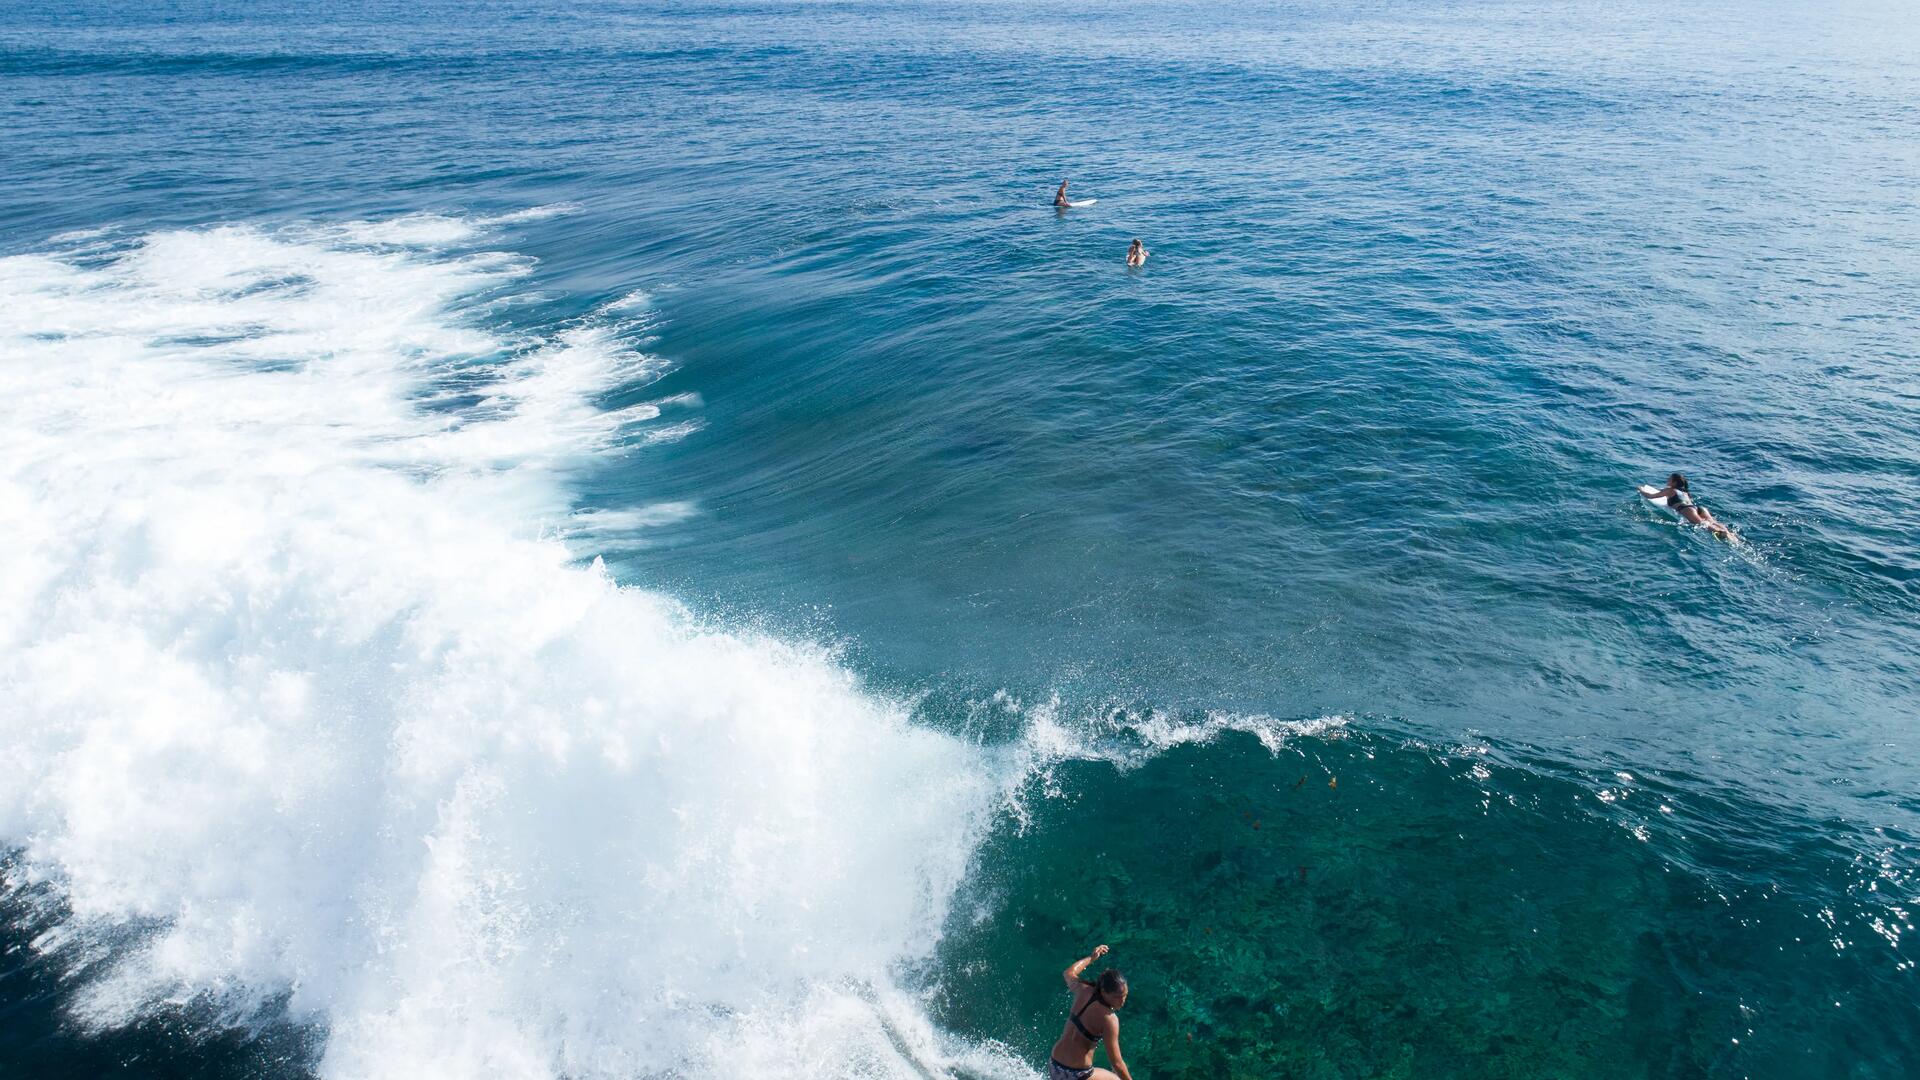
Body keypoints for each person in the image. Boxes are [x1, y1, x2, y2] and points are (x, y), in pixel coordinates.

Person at [1048, 944, 1135, 1080]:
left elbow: (1069, 973)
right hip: (1075, 1075)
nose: (1122, 1001)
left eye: (1125, 995)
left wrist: (1091, 958)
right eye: (1117, 997)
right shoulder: (1109, 1019)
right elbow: (1117, 1063)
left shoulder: (1083, 989)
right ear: (1104, 992)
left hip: (1054, 1065)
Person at [1642, 472, 1732, 539]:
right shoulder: (1685, 492)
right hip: (1699, 508)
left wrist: (1641, 489)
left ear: (1674, 483)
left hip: (1686, 509)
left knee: (1702, 523)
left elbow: (1650, 496)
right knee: (1712, 521)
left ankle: (1718, 532)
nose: (1667, 479)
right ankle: (1730, 534)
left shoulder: (1669, 490)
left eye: (1669, 479)